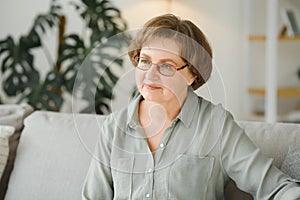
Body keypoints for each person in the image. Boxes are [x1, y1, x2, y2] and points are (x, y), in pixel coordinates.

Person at [82, 14, 300, 199]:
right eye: (145, 60)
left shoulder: (217, 125)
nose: (150, 75)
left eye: (166, 65)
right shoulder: (113, 127)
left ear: (193, 74)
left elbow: (275, 188)